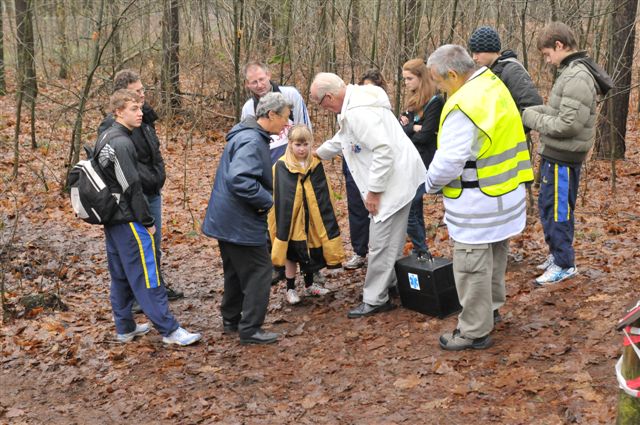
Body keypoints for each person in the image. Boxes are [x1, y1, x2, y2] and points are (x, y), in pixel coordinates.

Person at [425, 45, 533, 350]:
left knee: (471, 267)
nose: (438, 88)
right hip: (504, 197)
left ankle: (473, 329)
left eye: (439, 81)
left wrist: (429, 182)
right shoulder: (492, 85)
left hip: (478, 204)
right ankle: (491, 309)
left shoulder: (464, 105)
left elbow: (449, 161)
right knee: (495, 257)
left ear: (454, 74)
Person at [311, 72, 426, 318]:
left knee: (380, 242)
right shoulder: (356, 103)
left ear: (329, 97)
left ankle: (375, 299)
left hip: (393, 181)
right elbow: (344, 140)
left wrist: (374, 192)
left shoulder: (358, 112)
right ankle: (392, 284)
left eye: (319, 103)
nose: (322, 108)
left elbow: (383, 150)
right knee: (391, 240)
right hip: (400, 177)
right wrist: (316, 155)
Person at [99, 89, 201, 346]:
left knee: (121, 275)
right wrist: (147, 221)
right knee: (147, 274)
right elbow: (131, 187)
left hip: (113, 220)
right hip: (128, 219)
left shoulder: (107, 136)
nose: (140, 112)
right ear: (118, 111)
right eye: (133, 108)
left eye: (139, 107)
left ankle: (125, 327)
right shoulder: (121, 142)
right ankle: (170, 330)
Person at [522, 22, 610, 285]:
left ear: (559, 45)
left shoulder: (576, 77)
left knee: (557, 211)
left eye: (547, 54)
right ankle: (557, 254)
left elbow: (568, 125)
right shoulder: (571, 72)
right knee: (550, 207)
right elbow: (559, 112)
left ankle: (564, 263)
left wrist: (532, 119)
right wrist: (534, 112)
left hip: (563, 158)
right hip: (557, 156)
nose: (547, 61)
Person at [202, 92, 292, 345]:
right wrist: (267, 201)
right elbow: (240, 179)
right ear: (271, 115)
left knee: (234, 270)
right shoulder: (252, 141)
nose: (287, 124)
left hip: (225, 220)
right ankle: (250, 329)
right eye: (284, 118)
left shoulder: (246, 134)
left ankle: (231, 318)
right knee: (260, 272)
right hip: (239, 221)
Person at [98, 70, 183, 314]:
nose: (143, 95)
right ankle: (143, 300)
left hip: (152, 190)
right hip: (135, 195)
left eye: (143, 90)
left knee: (153, 244)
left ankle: (156, 287)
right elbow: (123, 168)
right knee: (137, 247)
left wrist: (158, 176)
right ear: (122, 97)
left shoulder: (143, 118)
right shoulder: (114, 128)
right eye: (138, 91)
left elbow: (153, 153)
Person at [268, 125, 345, 305]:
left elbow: (322, 192)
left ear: (311, 144)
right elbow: (279, 197)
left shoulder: (315, 164)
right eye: (297, 144)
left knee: (310, 249)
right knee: (291, 253)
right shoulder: (281, 165)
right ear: (290, 144)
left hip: (312, 218)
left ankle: (310, 285)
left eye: (305, 144)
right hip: (291, 221)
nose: (302, 149)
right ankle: (290, 288)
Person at [341, 69, 389, 271]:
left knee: (379, 213)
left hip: (375, 169)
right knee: (357, 210)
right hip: (353, 165)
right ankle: (359, 251)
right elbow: (343, 138)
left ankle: (382, 255)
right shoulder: (349, 108)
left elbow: (383, 148)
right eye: (364, 86)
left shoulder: (380, 110)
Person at [400, 59, 445, 257]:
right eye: (404, 79)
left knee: (412, 209)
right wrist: (412, 128)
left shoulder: (435, 102)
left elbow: (426, 135)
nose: (406, 83)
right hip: (409, 160)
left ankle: (422, 251)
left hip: (425, 161)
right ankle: (421, 251)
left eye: (410, 78)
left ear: (421, 77)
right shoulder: (411, 101)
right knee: (412, 209)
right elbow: (399, 130)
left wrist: (410, 129)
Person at [241, 60, 312, 162]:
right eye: (254, 82)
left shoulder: (291, 95)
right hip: (266, 162)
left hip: (294, 159)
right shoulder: (248, 108)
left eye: (261, 79)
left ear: (268, 75)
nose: (260, 85)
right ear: (247, 84)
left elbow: (305, 128)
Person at [468, 26, 543, 118]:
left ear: (490, 49)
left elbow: (533, 106)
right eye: (473, 53)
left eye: (478, 53)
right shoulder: (490, 71)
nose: (474, 58)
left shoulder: (512, 70)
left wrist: (516, 129)